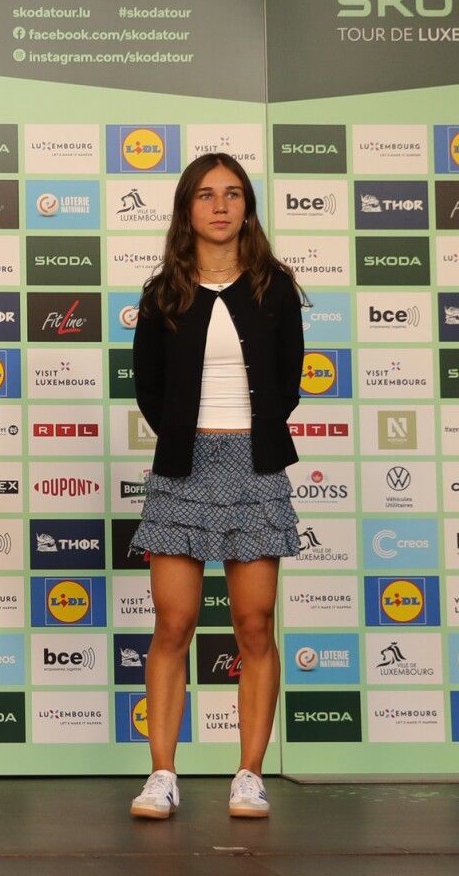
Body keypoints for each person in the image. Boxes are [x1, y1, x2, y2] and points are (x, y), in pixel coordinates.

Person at [128, 152, 304, 821]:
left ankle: (249, 775)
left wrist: (241, 435)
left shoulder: (275, 289)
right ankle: (162, 775)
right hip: (183, 468)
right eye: (206, 195)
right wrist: (188, 436)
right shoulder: (162, 293)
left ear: (247, 208)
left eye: (232, 194)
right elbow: (149, 389)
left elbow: (288, 381)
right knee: (173, 624)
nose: (221, 206)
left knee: (254, 626)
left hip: (255, 467)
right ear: (187, 210)